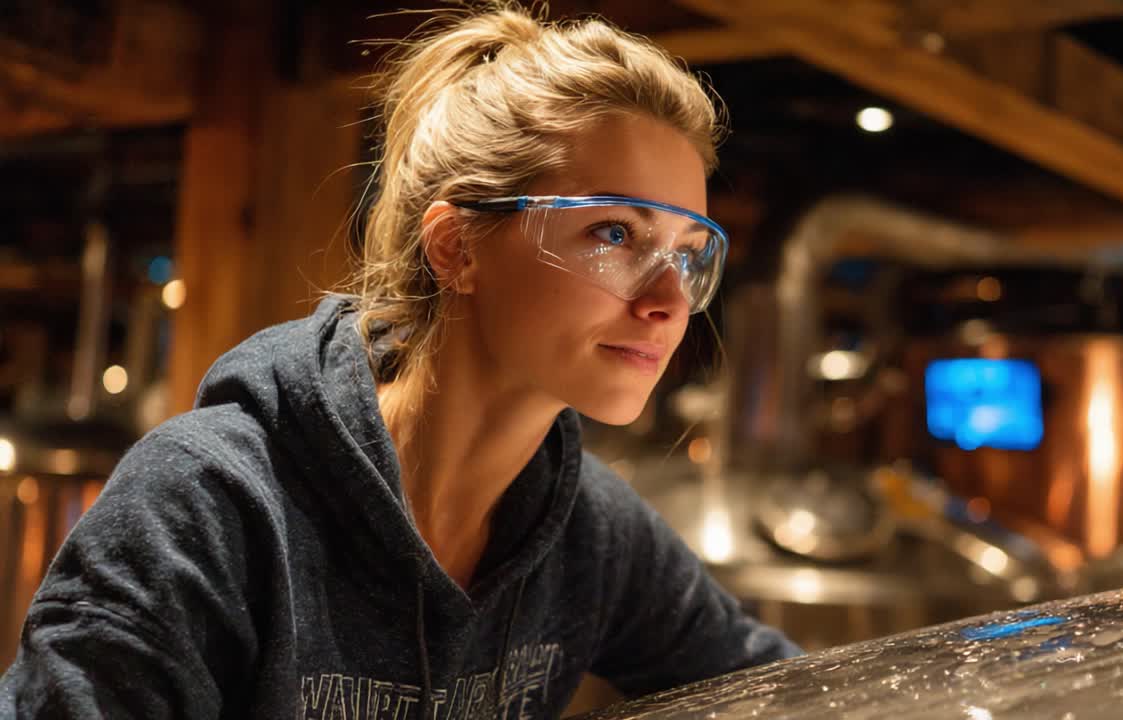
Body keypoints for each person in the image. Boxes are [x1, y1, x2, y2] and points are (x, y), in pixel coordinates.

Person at [0, 4, 800, 718]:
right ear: (457, 248)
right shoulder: (208, 506)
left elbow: (792, 694)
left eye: (691, 253)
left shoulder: (588, 531)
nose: (667, 300)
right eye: (615, 234)